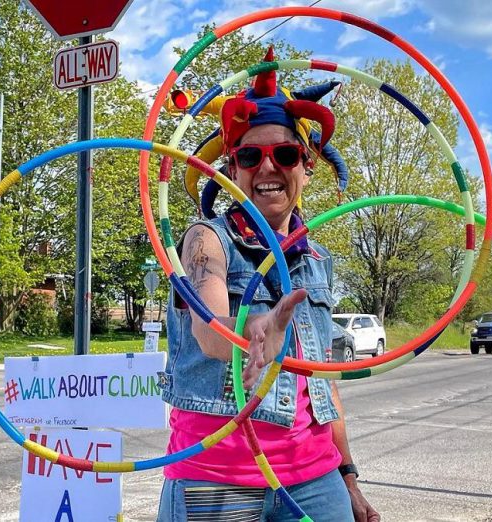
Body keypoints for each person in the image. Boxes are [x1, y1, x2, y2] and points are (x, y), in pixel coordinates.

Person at [157, 56, 380, 522]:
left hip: (316, 486)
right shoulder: (206, 239)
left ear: (307, 162)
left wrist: (348, 478)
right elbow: (210, 330)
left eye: (284, 153)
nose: (267, 167)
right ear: (230, 169)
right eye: (249, 156)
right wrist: (256, 331)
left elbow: (323, 382)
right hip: (216, 482)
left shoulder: (318, 259)